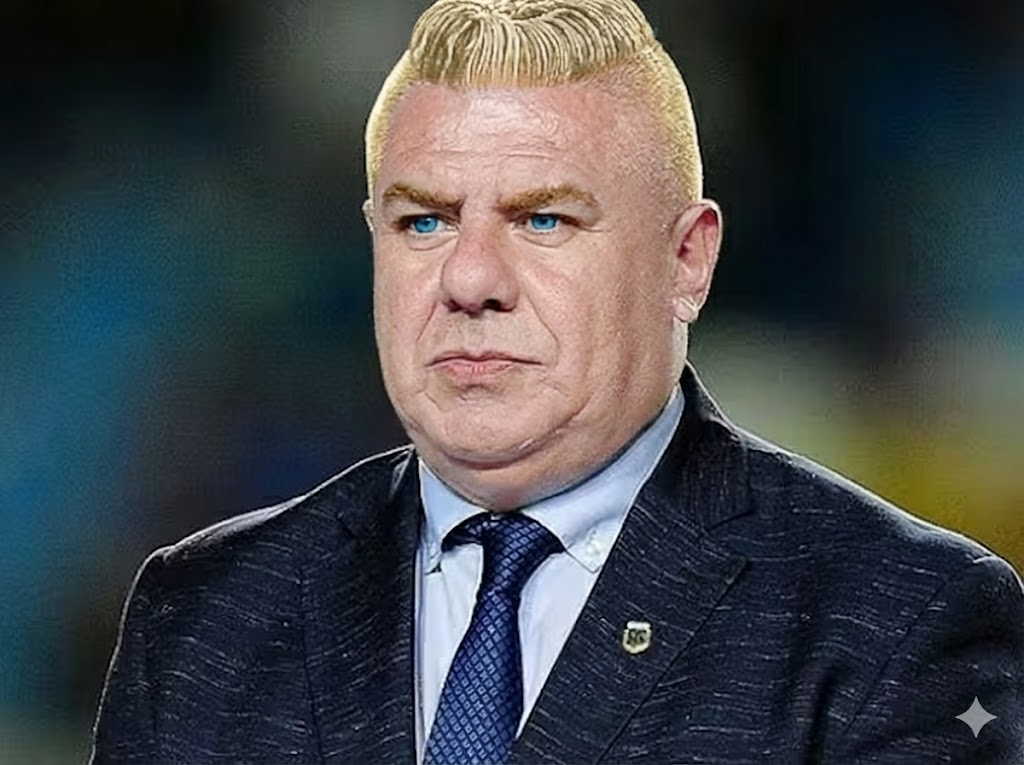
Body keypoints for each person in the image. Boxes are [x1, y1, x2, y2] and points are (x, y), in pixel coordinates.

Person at [90, 0, 1023, 762]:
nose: (469, 279)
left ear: (686, 261)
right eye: (423, 222)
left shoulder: (901, 619)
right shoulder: (202, 613)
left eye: (543, 220)